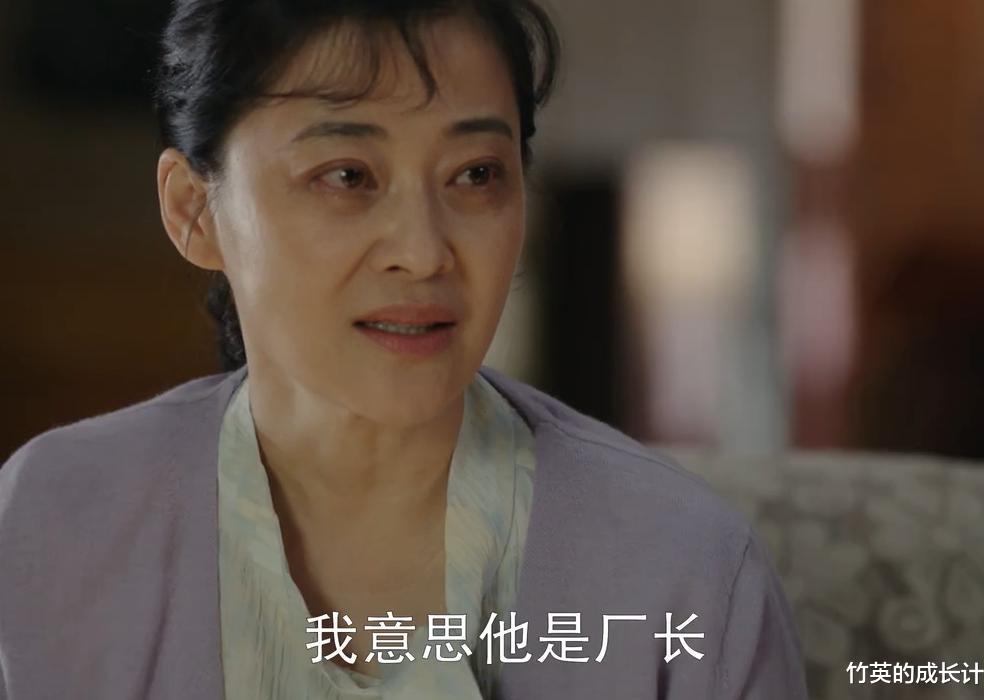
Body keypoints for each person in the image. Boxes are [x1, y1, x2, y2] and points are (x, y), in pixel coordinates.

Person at [0, 1, 808, 698]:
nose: (423, 252)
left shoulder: (683, 574)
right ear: (193, 210)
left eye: (475, 175)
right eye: (347, 176)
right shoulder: (53, 524)